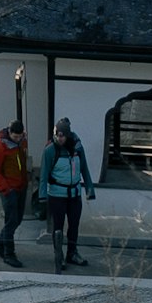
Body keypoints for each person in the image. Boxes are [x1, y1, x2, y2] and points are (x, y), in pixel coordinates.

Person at [39, 116, 95, 271]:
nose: (59, 138)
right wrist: (42, 195)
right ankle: (59, 255)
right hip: (57, 194)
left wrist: (89, 189)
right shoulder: (50, 150)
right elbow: (43, 174)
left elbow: (84, 168)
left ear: (68, 135)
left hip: (75, 193)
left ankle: (72, 252)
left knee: (74, 225)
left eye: (62, 135)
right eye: (57, 135)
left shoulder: (77, 148)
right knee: (58, 227)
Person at [0, 117, 33, 267]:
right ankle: (9, 253)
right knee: (11, 220)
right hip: (9, 189)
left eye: (20, 136)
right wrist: (6, 188)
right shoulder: (0, 147)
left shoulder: (22, 142)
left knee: (17, 219)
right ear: (9, 132)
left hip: (21, 186)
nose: (18, 139)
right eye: (15, 136)